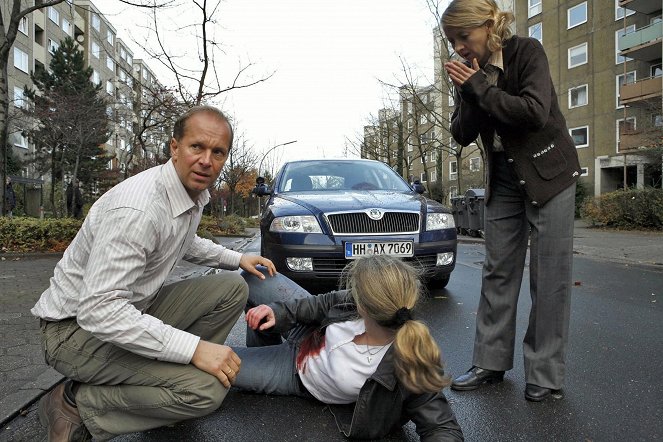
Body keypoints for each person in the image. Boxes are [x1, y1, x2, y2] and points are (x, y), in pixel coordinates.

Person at [31, 105, 277, 441]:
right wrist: (193, 349)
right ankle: (75, 403)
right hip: (73, 333)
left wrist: (237, 258)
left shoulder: (189, 192)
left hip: (129, 311)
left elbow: (184, 242)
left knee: (231, 289)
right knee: (205, 390)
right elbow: (99, 309)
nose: (207, 160)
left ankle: (162, 388)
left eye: (217, 152)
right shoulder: (139, 210)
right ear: (174, 147)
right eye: (197, 147)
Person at [442, 0, 581, 402]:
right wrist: (469, 91)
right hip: (503, 177)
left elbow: (535, 113)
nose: (459, 47)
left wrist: (481, 87)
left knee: (549, 276)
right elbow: (461, 134)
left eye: (463, 37)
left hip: (548, 173)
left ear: (488, 26)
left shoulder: (527, 52)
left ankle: (545, 373)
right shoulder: (469, 74)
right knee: (497, 271)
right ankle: (489, 362)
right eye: (452, 41)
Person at [232, 255, 464, 441]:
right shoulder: (358, 302)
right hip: (308, 334)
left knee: (211, 368)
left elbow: (442, 428)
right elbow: (320, 304)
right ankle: (263, 341)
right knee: (255, 275)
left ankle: (261, 357)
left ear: (363, 306)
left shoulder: (411, 360)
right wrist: (278, 312)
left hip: (296, 375)